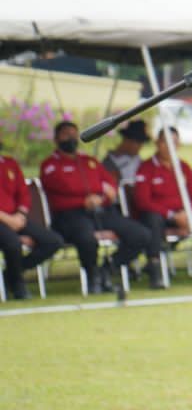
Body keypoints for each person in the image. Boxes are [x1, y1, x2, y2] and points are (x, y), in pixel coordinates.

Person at [38, 120, 151, 296]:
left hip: (100, 210)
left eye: (74, 134)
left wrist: (100, 196)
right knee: (86, 238)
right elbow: (65, 185)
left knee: (140, 235)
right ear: (56, 139)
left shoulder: (89, 161)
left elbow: (110, 183)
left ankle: (107, 268)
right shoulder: (50, 164)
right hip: (70, 216)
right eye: (66, 134)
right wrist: (95, 191)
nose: (71, 138)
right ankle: (92, 277)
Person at [130, 129, 192, 290]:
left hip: (184, 214)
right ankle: (154, 269)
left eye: (174, 142)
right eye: (165, 141)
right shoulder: (146, 167)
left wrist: (191, 215)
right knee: (152, 219)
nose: (170, 146)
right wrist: (172, 215)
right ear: (157, 143)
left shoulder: (183, 167)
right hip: (161, 215)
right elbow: (142, 201)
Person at [0, 146, 63, 300]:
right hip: (3, 220)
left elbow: (23, 193)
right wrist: (8, 219)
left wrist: (20, 215)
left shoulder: (9, 163)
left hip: (16, 218)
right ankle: (17, 285)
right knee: (13, 244)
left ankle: (9, 275)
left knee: (53, 241)